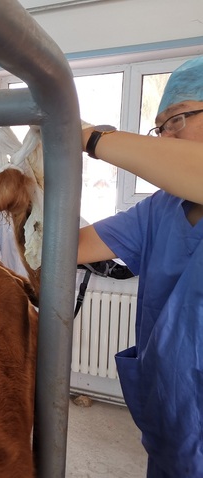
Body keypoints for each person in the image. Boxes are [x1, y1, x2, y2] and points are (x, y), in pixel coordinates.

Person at [77, 56, 203, 477]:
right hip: (172, 420)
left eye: (177, 119)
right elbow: (71, 247)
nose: (166, 135)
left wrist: (89, 137)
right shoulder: (158, 210)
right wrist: (30, 201)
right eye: (160, 127)